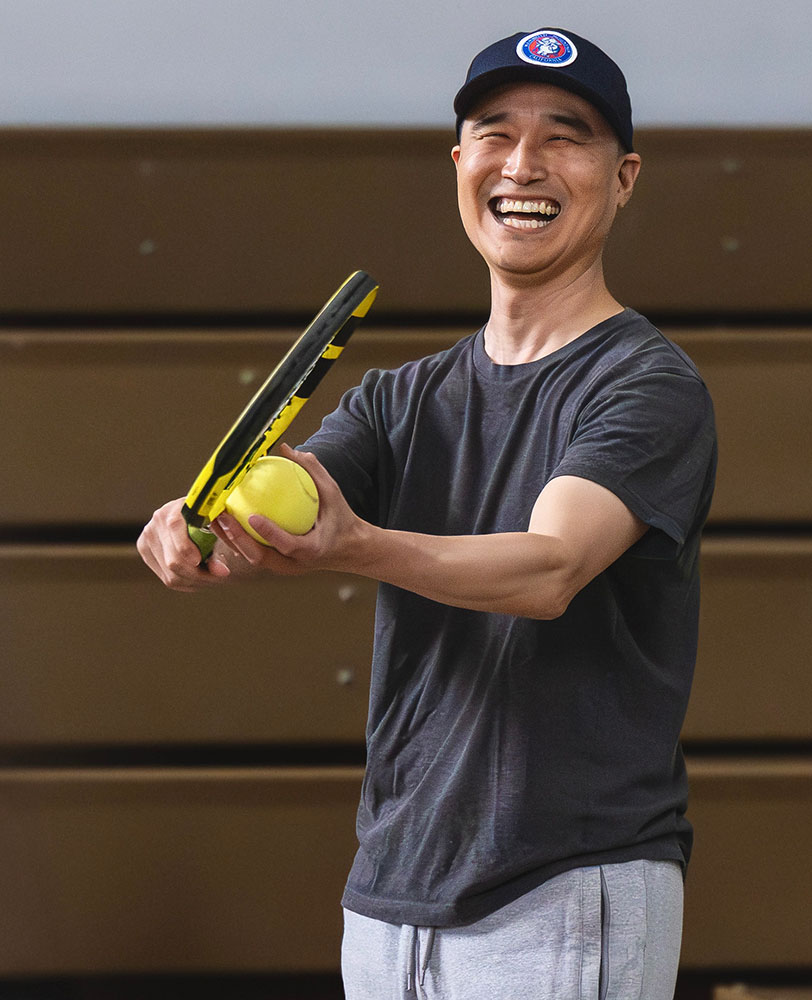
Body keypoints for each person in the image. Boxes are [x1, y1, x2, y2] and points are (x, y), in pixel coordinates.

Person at [138, 27, 716, 1000]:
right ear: (460, 163)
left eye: (564, 136)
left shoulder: (647, 386)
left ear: (622, 176)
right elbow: (293, 508)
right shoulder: (395, 400)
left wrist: (356, 545)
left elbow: (549, 568)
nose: (522, 163)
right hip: (390, 897)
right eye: (494, 132)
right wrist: (200, 535)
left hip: (559, 889)